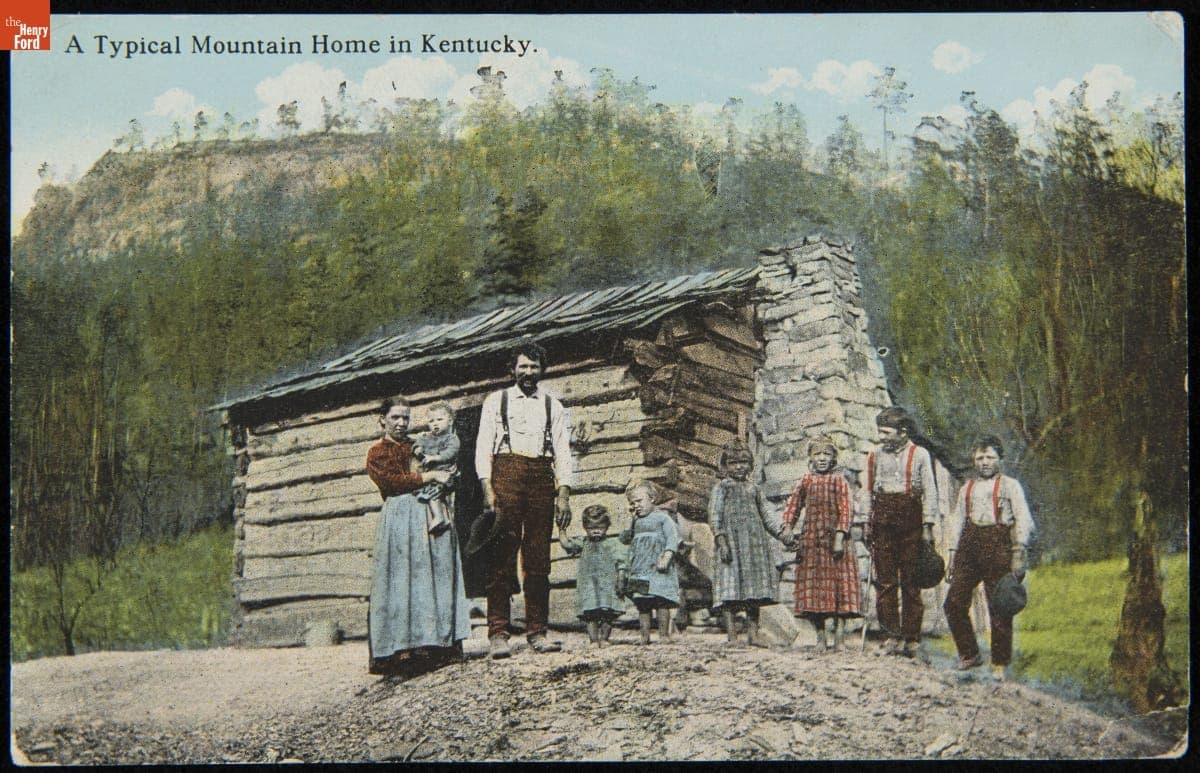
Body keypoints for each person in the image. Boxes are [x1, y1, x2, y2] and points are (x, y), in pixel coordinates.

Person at [474, 341, 573, 659]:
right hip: (507, 474)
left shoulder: (552, 405)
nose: (528, 372)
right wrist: (487, 487)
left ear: (542, 370)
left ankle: (537, 631)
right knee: (501, 555)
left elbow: (563, 452)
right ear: (513, 369)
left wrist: (564, 494)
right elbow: (482, 447)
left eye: (534, 367)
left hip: (542, 478)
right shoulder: (496, 401)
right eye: (523, 366)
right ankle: (498, 632)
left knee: (538, 558)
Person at [365, 396, 470, 677]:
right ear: (382, 419)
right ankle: (403, 649)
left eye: (405, 418)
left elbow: (450, 469)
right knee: (403, 577)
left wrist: (444, 482)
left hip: (429, 511)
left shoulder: (420, 445)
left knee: (434, 573)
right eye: (395, 417)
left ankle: (437, 643)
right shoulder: (377, 452)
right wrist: (428, 478)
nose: (401, 423)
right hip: (400, 516)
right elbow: (391, 482)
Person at [943, 435, 1035, 679]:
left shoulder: (1010, 486)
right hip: (970, 546)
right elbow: (957, 521)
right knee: (953, 601)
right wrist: (952, 554)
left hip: (999, 546)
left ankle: (1000, 663)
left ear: (1000, 459)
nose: (984, 462)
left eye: (990, 457)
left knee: (1000, 605)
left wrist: (1019, 551)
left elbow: (1023, 518)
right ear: (974, 460)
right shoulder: (967, 488)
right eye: (980, 457)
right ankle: (969, 653)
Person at [861, 407, 938, 658]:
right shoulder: (874, 455)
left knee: (911, 581)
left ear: (902, 432)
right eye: (879, 432)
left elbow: (930, 491)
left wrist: (928, 525)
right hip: (883, 519)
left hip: (911, 518)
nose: (881, 437)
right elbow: (866, 491)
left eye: (886, 432)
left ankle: (912, 639)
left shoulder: (920, 454)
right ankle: (890, 636)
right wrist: (865, 522)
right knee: (884, 582)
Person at [707, 441, 793, 647]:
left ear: (751, 465)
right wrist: (721, 541)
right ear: (725, 466)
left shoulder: (754, 489)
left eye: (744, 462)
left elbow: (767, 515)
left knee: (754, 592)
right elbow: (714, 515)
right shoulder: (722, 488)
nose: (739, 467)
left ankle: (753, 634)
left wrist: (783, 533)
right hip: (731, 546)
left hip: (754, 548)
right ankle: (732, 636)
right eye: (733, 463)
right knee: (730, 591)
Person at [783, 434, 861, 652]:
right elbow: (793, 506)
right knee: (815, 591)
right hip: (812, 542)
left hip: (836, 543)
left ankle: (839, 638)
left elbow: (846, 510)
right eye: (817, 454)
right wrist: (788, 527)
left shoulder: (839, 481)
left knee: (839, 589)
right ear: (810, 457)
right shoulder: (806, 481)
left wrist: (840, 536)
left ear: (834, 457)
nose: (822, 458)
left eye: (827, 454)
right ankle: (820, 639)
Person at [621, 479, 682, 644]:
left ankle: (663, 635)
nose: (636, 506)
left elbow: (673, 538)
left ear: (652, 499)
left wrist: (668, 555)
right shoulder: (636, 521)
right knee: (643, 603)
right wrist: (630, 521)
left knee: (661, 601)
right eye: (633, 503)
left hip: (659, 567)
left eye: (639, 501)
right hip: (640, 568)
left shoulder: (663, 518)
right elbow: (625, 539)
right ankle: (644, 636)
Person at [561, 505, 627, 648]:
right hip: (589, 586)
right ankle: (593, 640)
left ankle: (604, 638)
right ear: (585, 527)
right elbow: (566, 544)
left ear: (607, 526)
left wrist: (621, 578)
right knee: (590, 613)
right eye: (591, 528)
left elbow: (621, 563)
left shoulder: (613, 544)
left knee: (607, 614)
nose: (596, 531)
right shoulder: (583, 543)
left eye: (600, 527)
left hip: (607, 586)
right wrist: (562, 529)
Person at [411, 402, 460, 536]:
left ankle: (439, 516)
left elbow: (451, 452)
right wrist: (417, 449)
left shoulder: (451, 438)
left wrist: (435, 458)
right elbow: (417, 444)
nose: (435, 424)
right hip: (431, 473)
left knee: (434, 493)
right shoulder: (426, 437)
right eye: (431, 421)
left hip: (445, 472)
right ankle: (438, 517)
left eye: (439, 419)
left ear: (450, 421)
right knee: (426, 490)